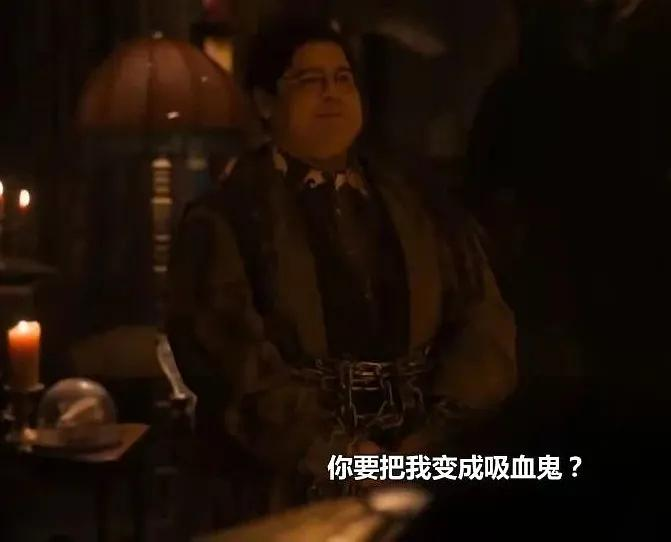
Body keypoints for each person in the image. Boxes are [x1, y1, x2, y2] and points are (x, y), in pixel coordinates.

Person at [165, 17, 516, 520]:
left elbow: (482, 318)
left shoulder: (421, 202)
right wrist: (337, 452)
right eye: (309, 81)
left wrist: (438, 432)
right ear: (265, 102)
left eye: (342, 78)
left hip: (421, 457)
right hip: (286, 478)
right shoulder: (225, 218)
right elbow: (230, 361)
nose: (331, 93)